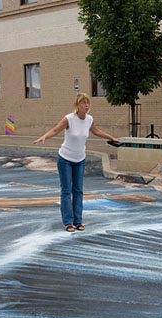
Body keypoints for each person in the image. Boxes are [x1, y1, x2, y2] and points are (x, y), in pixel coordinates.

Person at [33, 93, 121, 232]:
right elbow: (56, 130)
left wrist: (112, 138)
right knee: (67, 191)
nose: (86, 105)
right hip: (65, 159)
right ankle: (68, 222)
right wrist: (44, 136)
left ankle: (78, 221)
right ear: (77, 105)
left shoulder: (90, 119)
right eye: (83, 103)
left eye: (87, 103)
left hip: (80, 159)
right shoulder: (69, 119)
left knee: (78, 191)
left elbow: (96, 131)